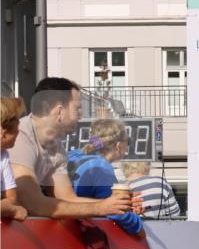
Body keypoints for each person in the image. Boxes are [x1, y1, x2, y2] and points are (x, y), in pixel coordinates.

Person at [9, 78, 131, 219]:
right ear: (60, 111)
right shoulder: (20, 136)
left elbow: (68, 198)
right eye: (77, 108)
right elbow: (34, 204)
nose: (80, 116)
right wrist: (101, 207)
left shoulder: (56, 147)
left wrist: (118, 205)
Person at [66, 119, 144, 235]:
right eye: (128, 141)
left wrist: (126, 205)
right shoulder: (102, 168)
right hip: (75, 231)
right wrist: (138, 227)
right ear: (118, 146)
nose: (128, 146)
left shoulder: (73, 155)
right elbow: (115, 211)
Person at [1, 96, 28, 221]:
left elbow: (11, 197)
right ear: (3, 131)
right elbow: (11, 204)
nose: (18, 131)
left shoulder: (3, 155)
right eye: (16, 127)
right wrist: (13, 209)